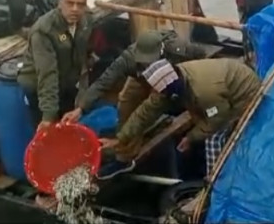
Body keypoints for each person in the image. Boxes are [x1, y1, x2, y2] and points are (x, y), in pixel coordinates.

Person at [61, 29, 208, 177]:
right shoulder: (127, 58)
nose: (146, 62)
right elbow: (103, 82)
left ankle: (133, 135)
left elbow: (201, 56)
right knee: (125, 101)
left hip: (167, 76)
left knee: (147, 111)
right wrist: (80, 108)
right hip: (139, 76)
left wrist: (188, 80)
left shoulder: (179, 49)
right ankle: (124, 158)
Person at [99, 58, 261, 183]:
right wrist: (120, 139)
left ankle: (215, 182)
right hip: (220, 94)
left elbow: (217, 118)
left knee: (215, 137)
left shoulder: (204, 91)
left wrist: (191, 137)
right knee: (202, 123)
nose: (157, 93)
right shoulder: (172, 81)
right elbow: (145, 113)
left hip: (244, 95)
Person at [17, 0, 92, 129]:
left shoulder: (86, 21)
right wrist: (48, 116)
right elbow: (47, 74)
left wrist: (83, 94)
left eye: (80, 4)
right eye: (70, 3)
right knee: (48, 131)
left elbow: (83, 56)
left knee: (67, 125)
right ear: (60, 3)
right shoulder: (44, 31)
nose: (75, 9)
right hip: (39, 87)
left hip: (66, 82)